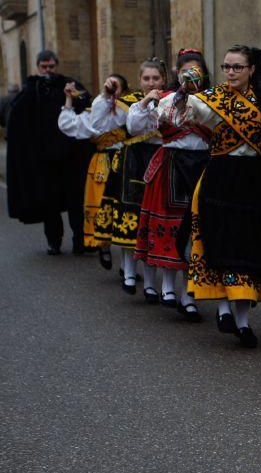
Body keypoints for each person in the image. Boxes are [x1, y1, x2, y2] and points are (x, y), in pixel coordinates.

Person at [157, 45, 261, 347]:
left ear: (251, 70)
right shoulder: (213, 99)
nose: (231, 72)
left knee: (247, 249)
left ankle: (244, 322)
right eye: (226, 67)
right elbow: (172, 113)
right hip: (220, 179)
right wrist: (182, 89)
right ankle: (224, 311)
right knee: (219, 243)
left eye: (237, 67)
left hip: (252, 180)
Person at [130, 49, 212, 321]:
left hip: (202, 166)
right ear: (177, 74)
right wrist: (146, 103)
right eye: (186, 70)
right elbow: (135, 127)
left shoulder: (213, 100)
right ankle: (167, 286)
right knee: (171, 226)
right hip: (172, 165)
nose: (191, 75)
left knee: (196, 231)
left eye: (196, 71)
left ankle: (189, 295)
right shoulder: (164, 99)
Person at [93, 59, 167, 300]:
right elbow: (134, 128)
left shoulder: (170, 100)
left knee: (153, 221)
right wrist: (145, 101)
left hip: (159, 160)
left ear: (163, 80)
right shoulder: (131, 102)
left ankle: (151, 283)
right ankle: (128, 272)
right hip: (132, 163)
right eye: (146, 78)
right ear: (139, 80)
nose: (151, 83)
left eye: (156, 78)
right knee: (130, 219)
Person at [6, 50, 91, 254]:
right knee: (49, 203)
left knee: (76, 201)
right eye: (44, 67)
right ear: (38, 67)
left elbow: (87, 103)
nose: (48, 70)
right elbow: (17, 113)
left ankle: (80, 240)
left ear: (56, 66)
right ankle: (54, 242)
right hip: (44, 159)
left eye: (51, 66)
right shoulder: (32, 87)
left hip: (72, 156)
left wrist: (74, 95)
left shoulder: (69, 83)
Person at [57, 73, 131, 264]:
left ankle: (127, 264)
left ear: (124, 91)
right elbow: (67, 124)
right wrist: (68, 99)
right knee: (101, 207)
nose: (114, 91)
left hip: (126, 162)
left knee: (125, 210)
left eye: (117, 87)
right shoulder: (94, 112)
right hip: (101, 163)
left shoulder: (129, 111)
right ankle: (103, 246)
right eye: (109, 86)